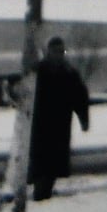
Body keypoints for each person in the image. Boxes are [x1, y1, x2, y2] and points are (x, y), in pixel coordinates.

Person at [28, 36, 91, 201]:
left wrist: (84, 120)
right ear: (48, 52)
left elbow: (80, 99)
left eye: (61, 51)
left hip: (59, 129)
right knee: (42, 168)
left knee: (51, 169)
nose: (59, 55)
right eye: (56, 51)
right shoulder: (38, 72)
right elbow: (25, 96)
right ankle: (41, 194)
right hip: (40, 130)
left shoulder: (69, 73)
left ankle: (42, 194)